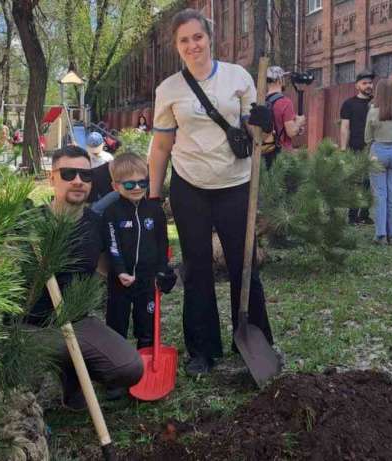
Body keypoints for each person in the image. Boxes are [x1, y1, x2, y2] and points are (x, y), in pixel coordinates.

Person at [148, 8, 275, 376]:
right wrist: (153, 197)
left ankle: (253, 337)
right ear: (176, 46)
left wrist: (265, 125)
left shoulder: (237, 78)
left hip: (236, 185)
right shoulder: (168, 89)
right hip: (190, 187)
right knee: (197, 268)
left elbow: (257, 135)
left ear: (209, 37)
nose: (193, 45)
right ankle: (202, 350)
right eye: (184, 40)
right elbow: (161, 146)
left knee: (244, 266)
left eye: (198, 37)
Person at [24, 145, 143, 407]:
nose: (78, 181)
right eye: (68, 174)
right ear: (52, 178)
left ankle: (73, 372)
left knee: (129, 367)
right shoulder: (30, 224)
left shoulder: (97, 225)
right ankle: (65, 370)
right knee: (25, 371)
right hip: (28, 327)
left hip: (75, 320)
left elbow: (113, 266)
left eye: (85, 175)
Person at [103, 153, 177, 355]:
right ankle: (117, 362)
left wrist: (162, 270)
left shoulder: (155, 211)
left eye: (142, 182)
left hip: (148, 280)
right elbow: (112, 245)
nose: (136, 188)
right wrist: (120, 271)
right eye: (129, 184)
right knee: (117, 325)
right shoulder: (112, 212)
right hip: (120, 281)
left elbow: (162, 243)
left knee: (147, 324)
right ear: (115, 186)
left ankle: (146, 360)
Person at [365, 79, 392, 245]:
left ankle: (381, 235)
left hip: (378, 151)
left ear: (378, 93)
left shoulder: (372, 112)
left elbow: (367, 137)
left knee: (379, 195)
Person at [340, 69, 376, 225]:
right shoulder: (349, 104)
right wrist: (343, 149)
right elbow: (344, 127)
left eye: (370, 83)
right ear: (357, 86)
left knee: (370, 183)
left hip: (374, 148)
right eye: (364, 83)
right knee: (356, 183)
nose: (368, 86)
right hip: (356, 148)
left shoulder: (376, 103)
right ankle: (352, 216)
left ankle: (365, 214)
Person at [262, 66, 306, 168]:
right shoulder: (285, 102)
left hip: (264, 152)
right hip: (282, 156)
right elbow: (291, 132)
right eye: (284, 78)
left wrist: (297, 129)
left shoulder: (261, 101)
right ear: (279, 80)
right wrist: (299, 122)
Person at [85, 131, 115, 205]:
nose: (95, 153)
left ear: (103, 144)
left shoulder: (108, 158)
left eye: (96, 149)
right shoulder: (84, 158)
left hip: (105, 189)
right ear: (87, 147)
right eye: (92, 149)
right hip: (91, 189)